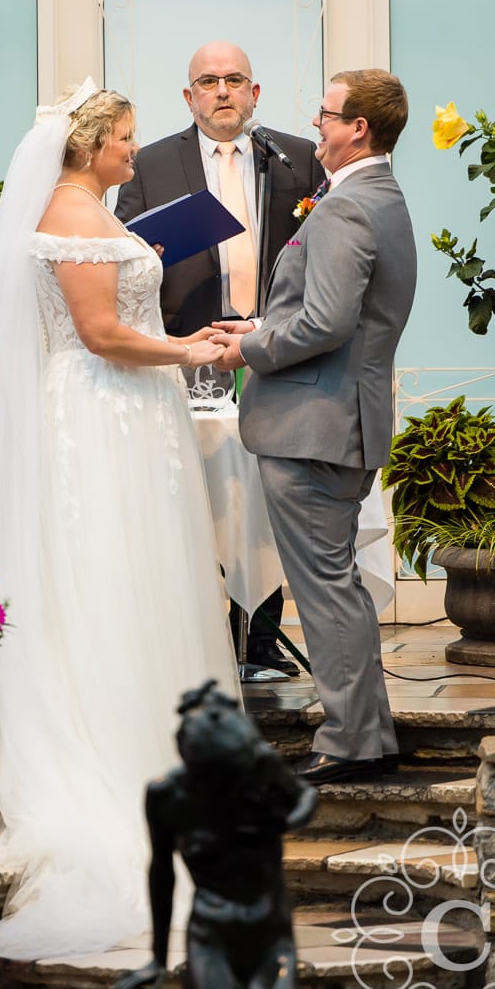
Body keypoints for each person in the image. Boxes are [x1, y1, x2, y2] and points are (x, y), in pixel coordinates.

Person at [0, 80, 240, 962]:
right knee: (110, 577)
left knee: (144, 582)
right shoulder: (75, 215)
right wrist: (190, 347)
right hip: (101, 412)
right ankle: (114, 766)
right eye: (123, 139)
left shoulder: (94, 208)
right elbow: (100, 333)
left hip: (126, 410)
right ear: (87, 147)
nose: (134, 151)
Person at [212, 69, 415, 785]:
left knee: (325, 587)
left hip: (311, 422)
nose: (316, 126)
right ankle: (369, 731)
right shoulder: (378, 197)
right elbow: (336, 314)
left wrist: (249, 348)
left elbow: (326, 324)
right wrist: (263, 323)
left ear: (358, 127)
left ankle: (351, 741)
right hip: (339, 416)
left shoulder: (345, 208)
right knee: (340, 584)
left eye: (325, 115)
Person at [117, 41, 325, 680]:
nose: (223, 91)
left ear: (255, 92)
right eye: (208, 81)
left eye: (235, 79)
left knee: (262, 491)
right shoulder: (149, 164)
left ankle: (260, 642)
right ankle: (199, 636)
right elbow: (126, 259)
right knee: (201, 491)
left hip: (273, 347)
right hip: (188, 347)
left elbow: (319, 251)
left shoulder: (293, 158)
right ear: (188, 97)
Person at [116, 681, 317, 989]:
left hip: (270, 943)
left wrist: (287, 820)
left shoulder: (262, 771)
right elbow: (161, 871)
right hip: (211, 940)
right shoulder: (166, 796)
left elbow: (306, 797)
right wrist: (156, 958)